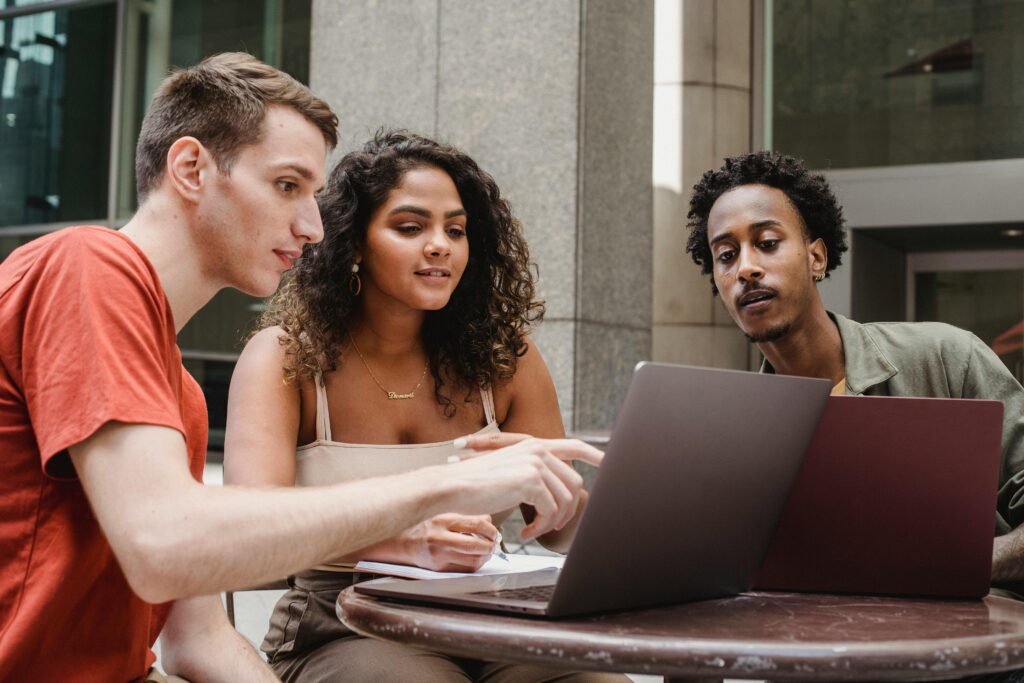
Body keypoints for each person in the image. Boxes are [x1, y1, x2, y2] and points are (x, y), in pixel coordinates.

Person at [0, 53, 601, 682]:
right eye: (288, 186)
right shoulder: (87, 264)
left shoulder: (179, 394)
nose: (314, 227)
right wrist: (449, 487)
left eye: (314, 196)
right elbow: (162, 547)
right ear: (190, 168)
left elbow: (199, 642)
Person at [223, 130, 623, 682]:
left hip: (492, 616)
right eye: (411, 228)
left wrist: (563, 501)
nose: (440, 245)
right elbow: (247, 529)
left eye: (455, 230)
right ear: (354, 242)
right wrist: (403, 543)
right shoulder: (286, 357)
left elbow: (557, 534)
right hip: (343, 623)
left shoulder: (505, 359)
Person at [683, 150, 1024, 590]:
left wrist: (956, 564)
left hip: (972, 648)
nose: (746, 268)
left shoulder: (946, 356)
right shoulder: (736, 433)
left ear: (817, 258)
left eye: (767, 243)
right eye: (726, 255)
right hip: (815, 646)